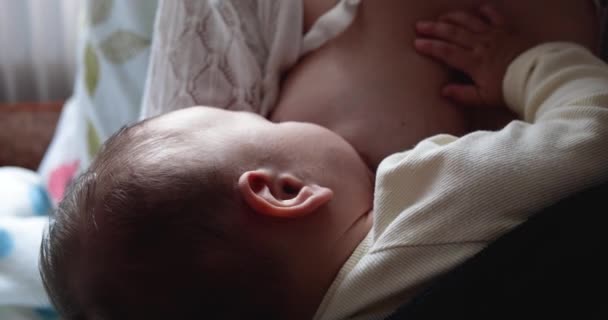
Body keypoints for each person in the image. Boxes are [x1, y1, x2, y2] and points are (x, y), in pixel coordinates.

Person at [39, 4, 608, 320]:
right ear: (284, 192)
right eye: (270, 124)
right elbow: (596, 131)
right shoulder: (425, 202)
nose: (278, 117)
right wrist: (533, 66)